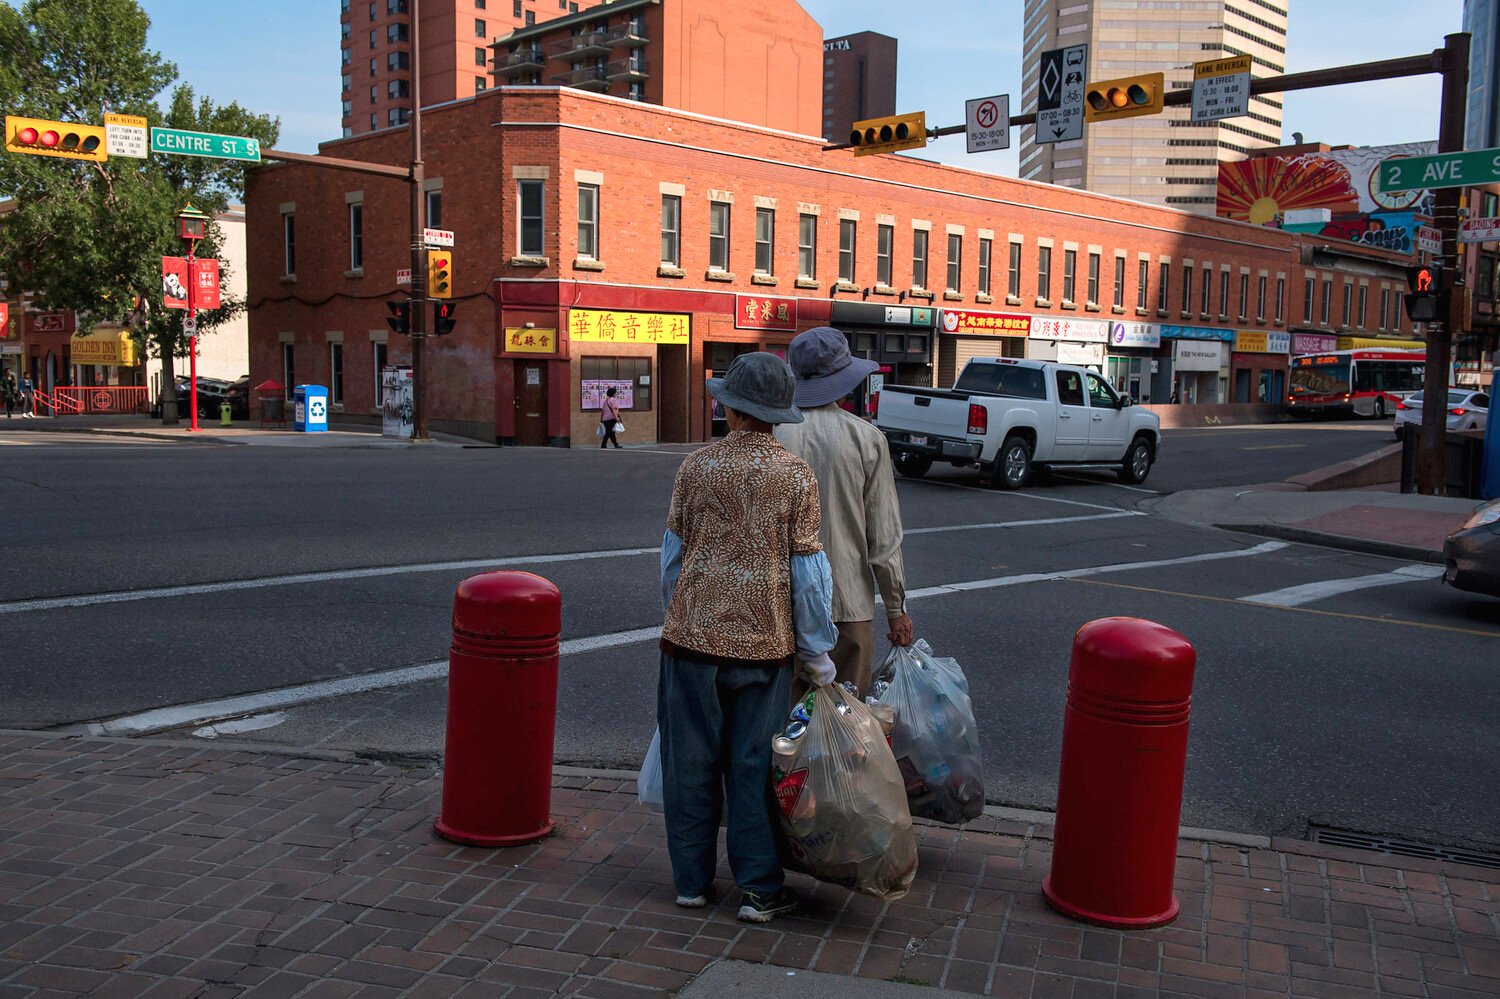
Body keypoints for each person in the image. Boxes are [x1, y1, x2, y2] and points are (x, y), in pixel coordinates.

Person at [658, 352, 838, 924]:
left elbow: (672, 560)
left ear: (731, 409)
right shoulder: (794, 476)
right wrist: (816, 649)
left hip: (689, 643)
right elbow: (809, 576)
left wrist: (684, 612)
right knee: (754, 765)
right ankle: (759, 888)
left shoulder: (695, 467)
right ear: (779, 416)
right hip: (765, 648)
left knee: (689, 764)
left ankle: (691, 882)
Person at [776, 327, 912, 696]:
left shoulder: (771, 434)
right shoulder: (866, 439)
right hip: (847, 604)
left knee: (781, 728)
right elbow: (883, 536)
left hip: (778, 606)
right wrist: (896, 608)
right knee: (846, 722)